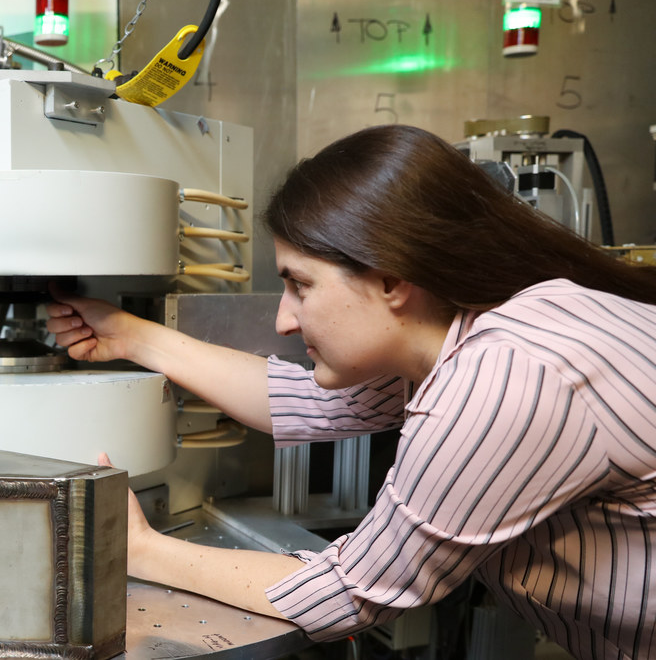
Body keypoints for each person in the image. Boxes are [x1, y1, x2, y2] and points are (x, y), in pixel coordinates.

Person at [48, 124, 656, 659]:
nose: (285, 320)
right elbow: (307, 401)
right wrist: (130, 336)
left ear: (392, 279)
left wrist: (137, 549)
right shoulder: (468, 330)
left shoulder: (508, 378)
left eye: (300, 286)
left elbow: (349, 595)